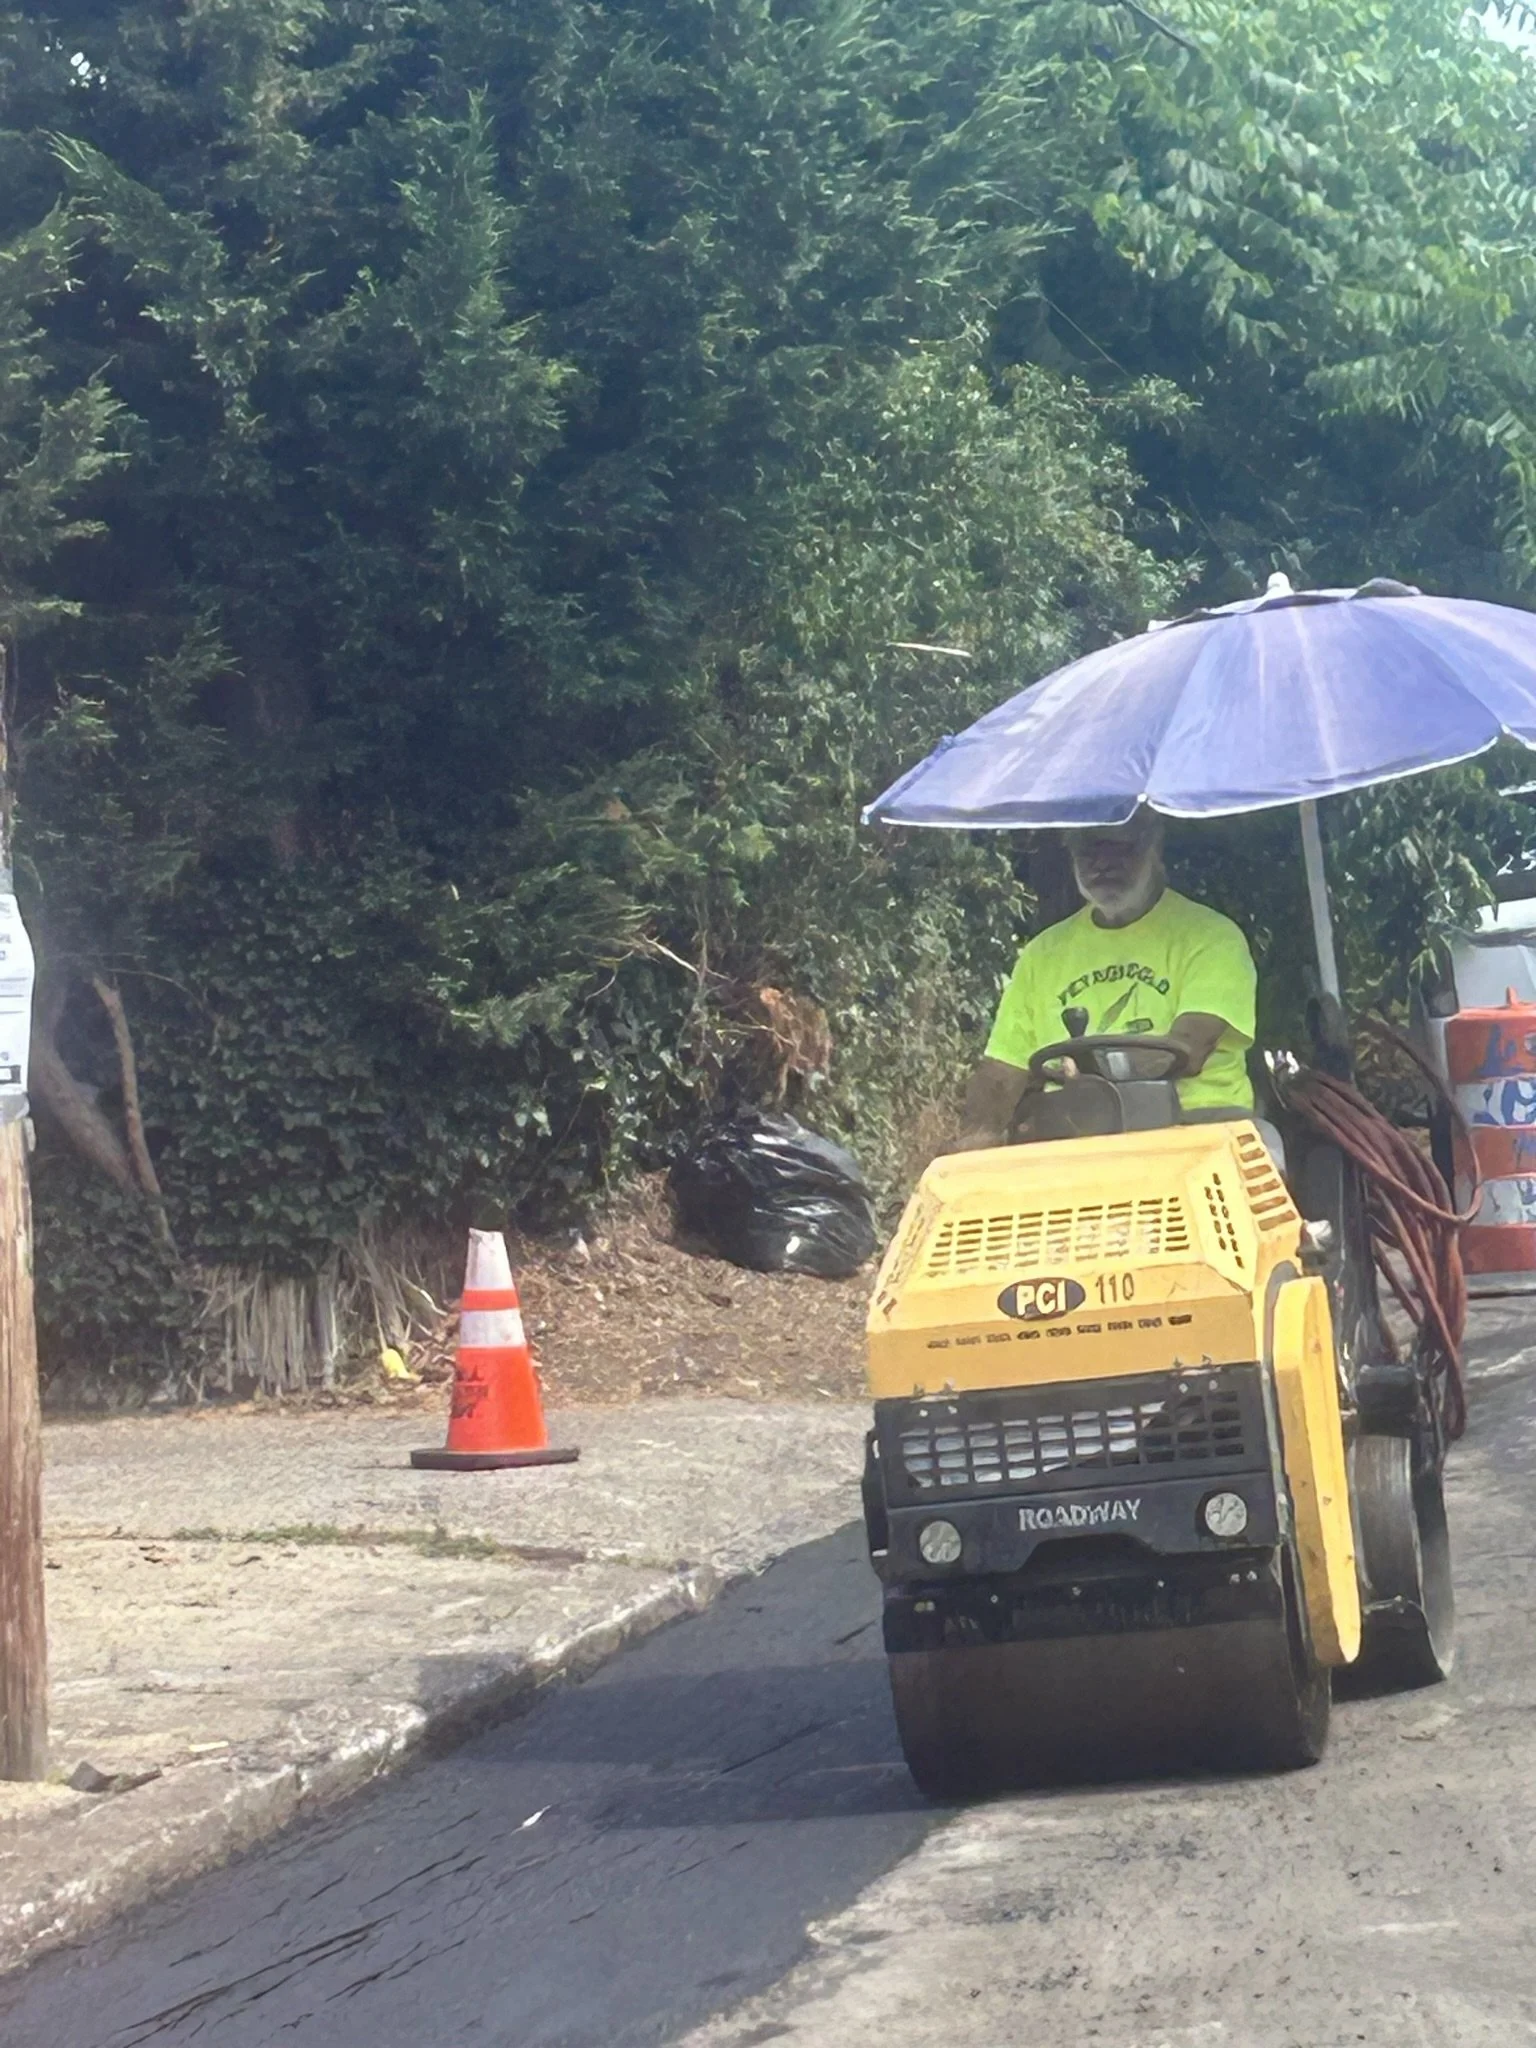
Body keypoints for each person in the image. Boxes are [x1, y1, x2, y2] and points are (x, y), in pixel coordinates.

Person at [950, 807, 1270, 1154]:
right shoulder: (1042, 953)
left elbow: (1189, 1048)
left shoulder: (1211, 937)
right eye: (1088, 849)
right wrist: (976, 1136)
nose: (1102, 863)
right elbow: (1002, 1070)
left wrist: (1094, 1071)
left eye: (1120, 847)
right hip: (1074, 1136)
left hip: (1199, 1129)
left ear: (1154, 845)